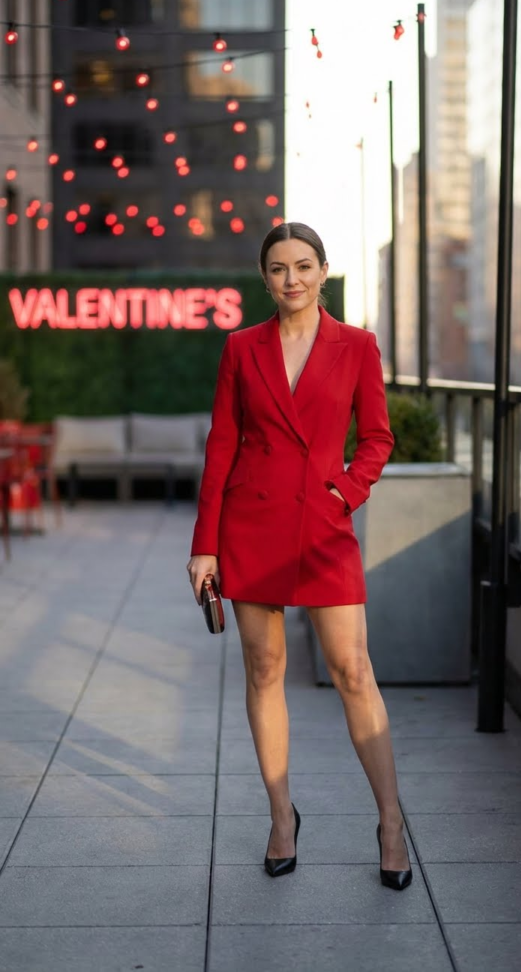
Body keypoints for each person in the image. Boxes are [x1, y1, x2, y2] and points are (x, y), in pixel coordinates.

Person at [187, 221, 412, 890]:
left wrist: (343, 493)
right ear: (265, 277)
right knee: (264, 670)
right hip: (250, 524)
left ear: (322, 271)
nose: (292, 278)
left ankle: (391, 822)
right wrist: (205, 544)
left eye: (304, 265)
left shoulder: (357, 346)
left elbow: (377, 437)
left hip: (322, 525)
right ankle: (282, 818)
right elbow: (221, 445)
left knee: (352, 670)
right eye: (279, 268)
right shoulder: (241, 349)